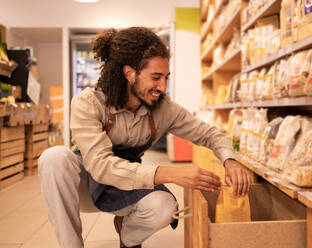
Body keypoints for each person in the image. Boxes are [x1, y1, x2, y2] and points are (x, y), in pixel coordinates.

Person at [38, 27, 252, 248]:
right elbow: (100, 165)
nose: (163, 87)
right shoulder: (88, 103)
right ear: (130, 73)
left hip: (125, 187)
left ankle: (127, 237)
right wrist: (171, 174)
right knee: (54, 157)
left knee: (164, 206)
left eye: (166, 77)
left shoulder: (163, 109)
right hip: (85, 186)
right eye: (156, 77)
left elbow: (209, 134)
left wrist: (230, 160)